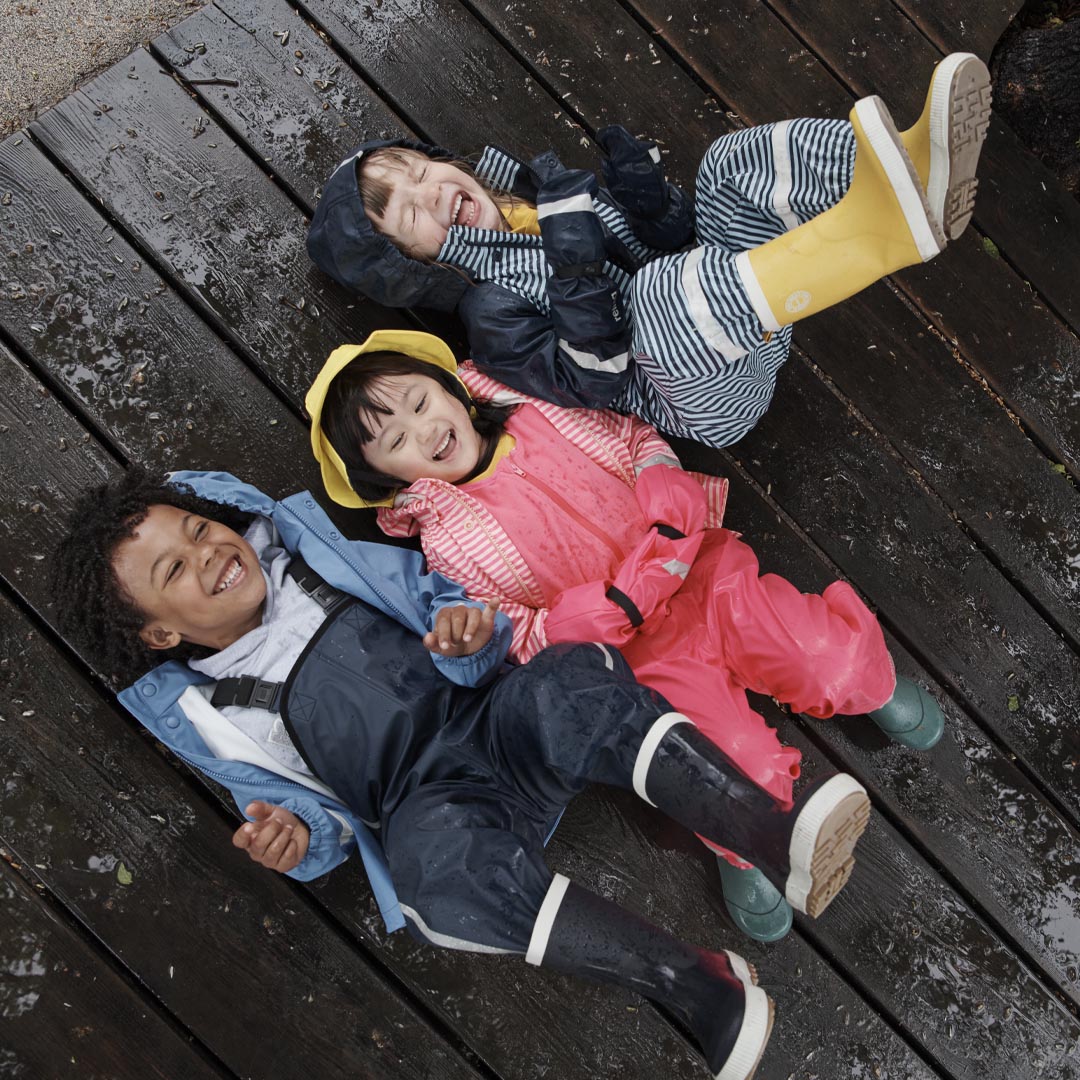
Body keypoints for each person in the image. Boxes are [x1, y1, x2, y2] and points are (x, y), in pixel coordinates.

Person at [52, 467, 878, 1080]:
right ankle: (695, 985)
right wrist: (296, 841)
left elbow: (459, 614)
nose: (206, 554)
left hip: (497, 723)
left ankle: (768, 831)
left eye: (197, 529)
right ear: (160, 636)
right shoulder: (216, 719)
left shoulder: (321, 562)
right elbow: (318, 830)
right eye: (173, 571)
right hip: (434, 809)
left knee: (571, 681)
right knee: (435, 890)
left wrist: (466, 637)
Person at [306, 329, 946, 942]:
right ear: (386, 480)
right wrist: (584, 619)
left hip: (702, 572)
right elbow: (515, 634)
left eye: (421, 402)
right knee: (723, 764)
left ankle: (871, 685)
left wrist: (666, 487)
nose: (424, 430)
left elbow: (634, 439)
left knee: (823, 656)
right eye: (396, 439)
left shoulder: (538, 409)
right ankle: (742, 847)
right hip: (640, 657)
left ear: (451, 388)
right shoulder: (446, 544)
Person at [307, 54, 991, 450]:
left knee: (727, 166)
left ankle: (909, 167)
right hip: (706, 390)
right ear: (412, 267)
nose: (430, 192)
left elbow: (672, 246)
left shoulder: (536, 197)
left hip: (752, 302)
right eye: (409, 213)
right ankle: (883, 232)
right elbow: (596, 377)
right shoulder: (490, 316)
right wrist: (575, 258)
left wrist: (650, 206)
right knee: (657, 299)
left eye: (419, 170)